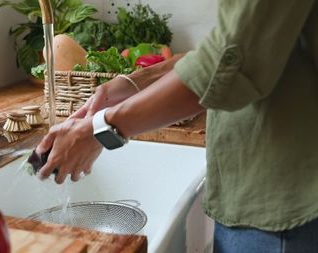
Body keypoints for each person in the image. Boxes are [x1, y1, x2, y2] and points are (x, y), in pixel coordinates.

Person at [35, 0, 318, 252]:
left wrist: (100, 130)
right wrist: (133, 83)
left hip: (283, 198)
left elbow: (232, 62)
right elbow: (231, 46)